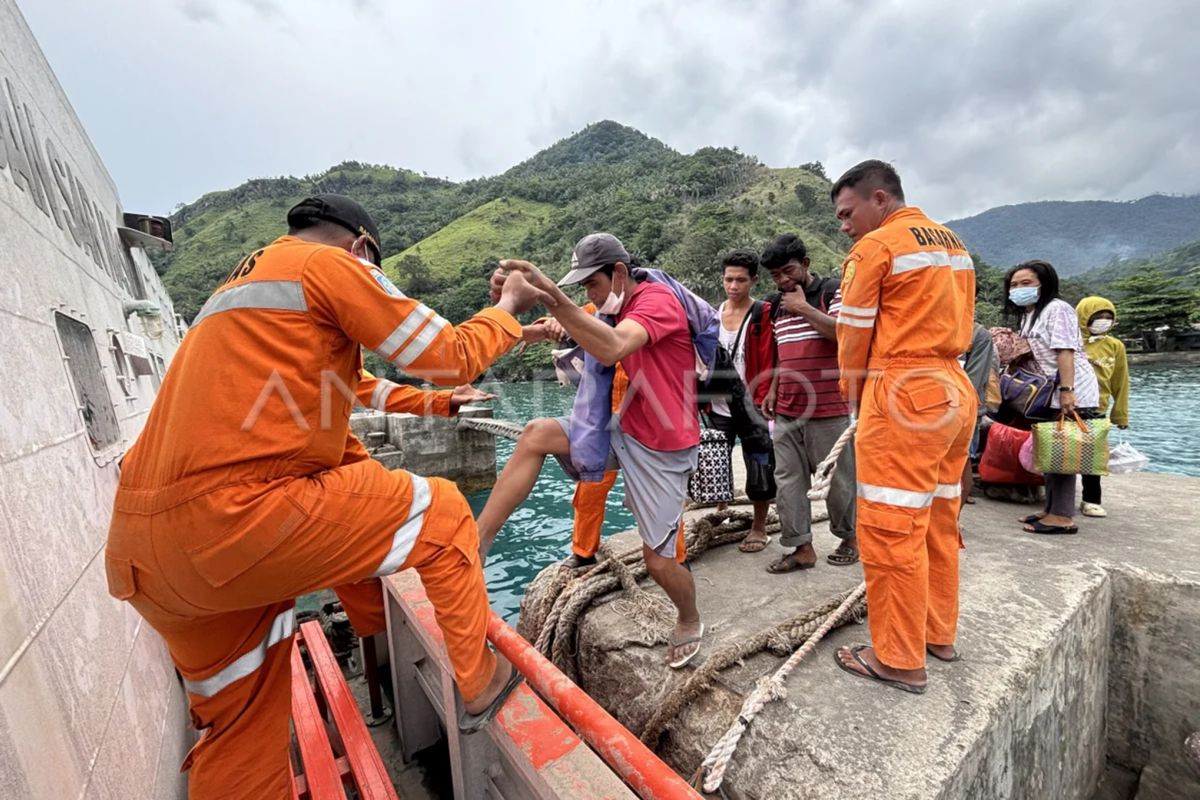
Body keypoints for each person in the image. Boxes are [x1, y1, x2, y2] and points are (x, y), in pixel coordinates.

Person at [104, 194, 541, 799]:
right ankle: (480, 681)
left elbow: (355, 384)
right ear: (362, 248)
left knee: (238, 728)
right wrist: (509, 307)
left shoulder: (242, 290)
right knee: (442, 514)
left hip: (143, 552)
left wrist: (439, 403)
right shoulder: (328, 266)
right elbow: (448, 355)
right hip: (234, 520)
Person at [478, 233, 705, 668]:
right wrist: (504, 310)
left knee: (658, 563)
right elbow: (546, 329)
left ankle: (689, 617)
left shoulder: (655, 302)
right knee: (536, 432)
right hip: (624, 427)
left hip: (662, 446)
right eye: (582, 288)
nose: (589, 295)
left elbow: (614, 345)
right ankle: (478, 541)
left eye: (592, 285)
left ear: (619, 273)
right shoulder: (608, 307)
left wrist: (548, 293)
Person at [829, 161, 976, 694]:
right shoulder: (953, 245)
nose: (844, 226)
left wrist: (854, 401)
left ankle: (896, 657)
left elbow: (854, 334)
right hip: (955, 389)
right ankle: (938, 633)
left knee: (890, 527)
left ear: (880, 198)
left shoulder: (877, 248)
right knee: (938, 517)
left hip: (903, 393)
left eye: (848, 213)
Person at [752, 234, 857, 572]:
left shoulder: (832, 291)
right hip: (787, 409)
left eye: (789, 271)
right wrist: (772, 388)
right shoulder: (776, 306)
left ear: (806, 264)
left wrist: (805, 308)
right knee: (787, 481)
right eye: (776, 276)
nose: (783, 280)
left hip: (829, 409)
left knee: (839, 482)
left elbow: (845, 335)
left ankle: (850, 537)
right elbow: (783, 351)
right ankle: (801, 548)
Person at [1006, 260, 1101, 534]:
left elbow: (1065, 352)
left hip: (1070, 389)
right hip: (1050, 390)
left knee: (1063, 450)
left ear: (1043, 284)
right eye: (1014, 285)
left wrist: (1068, 391)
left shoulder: (1057, 309)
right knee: (1050, 448)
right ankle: (1051, 508)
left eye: (1026, 283)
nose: (1019, 289)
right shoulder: (1031, 313)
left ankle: (1062, 516)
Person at [707, 249, 776, 553]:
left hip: (754, 403)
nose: (733, 286)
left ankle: (759, 527)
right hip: (717, 403)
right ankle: (721, 515)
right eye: (728, 280)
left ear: (754, 280)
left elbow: (777, 355)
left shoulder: (763, 313)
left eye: (741, 280)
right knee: (717, 463)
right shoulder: (712, 316)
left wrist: (772, 391)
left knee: (759, 463)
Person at [1076, 295, 1129, 517]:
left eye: (1109, 317)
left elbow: (1121, 381)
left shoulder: (1114, 346)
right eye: (1098, 317)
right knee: (1058, 452)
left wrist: (1120, 415)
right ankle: (1057, 497)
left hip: (1098, 408)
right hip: (1069, 405)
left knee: (1092, 456)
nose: (1104, 321)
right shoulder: (1072, 342)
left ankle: (1090, 499)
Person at [959, 322, 997, 506]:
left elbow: (972, 381)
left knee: (959, 464)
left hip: (961, 409)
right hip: (935, 408)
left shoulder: (978, 335)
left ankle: (950, 525)